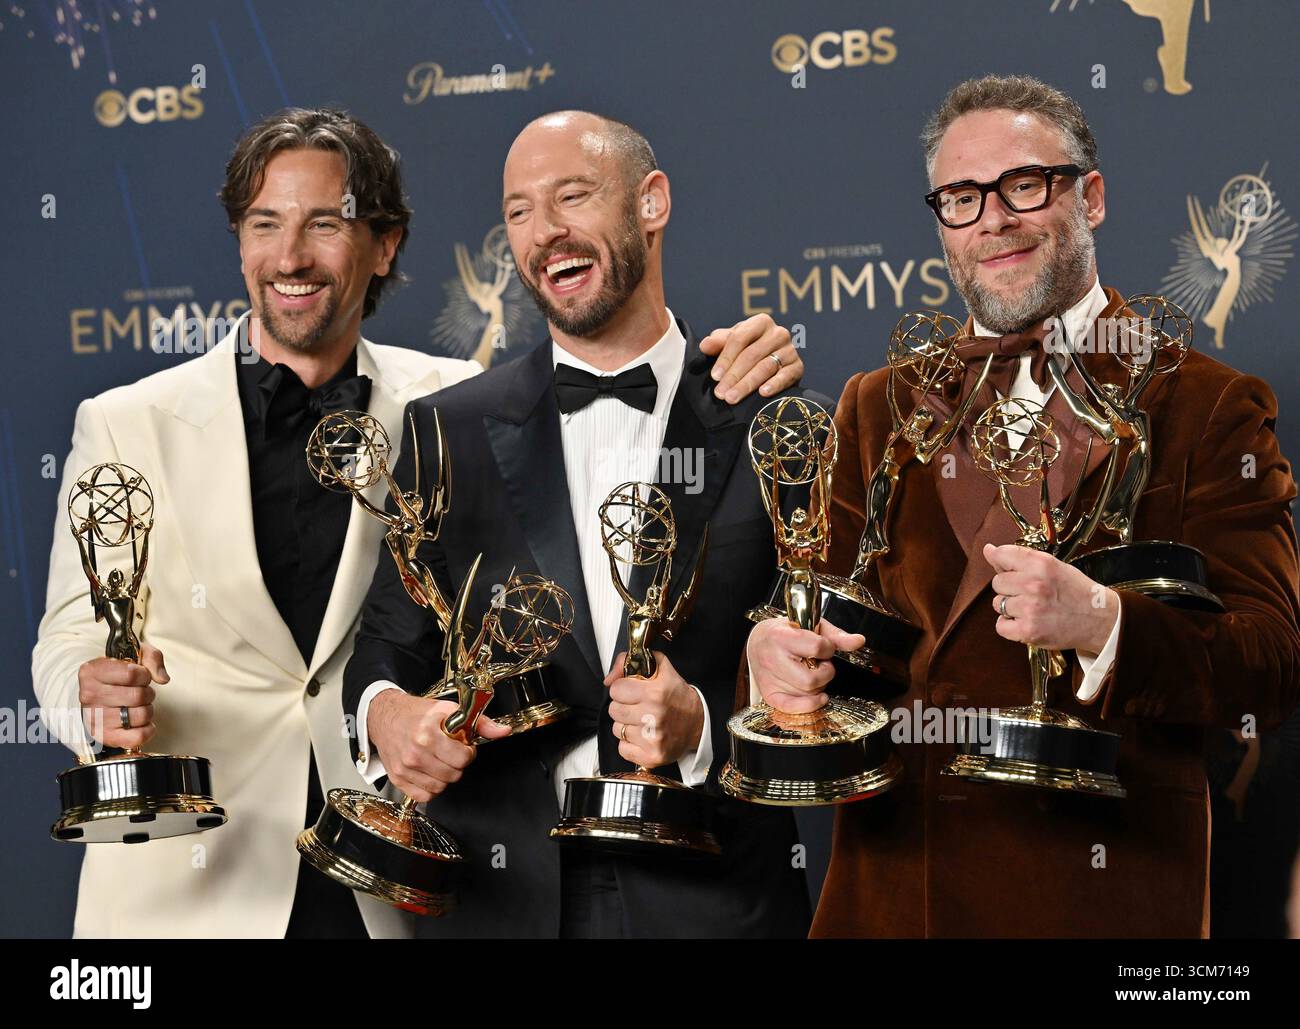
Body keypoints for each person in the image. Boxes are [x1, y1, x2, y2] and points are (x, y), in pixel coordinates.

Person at [31, 106, 794, 939]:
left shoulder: (445, 400)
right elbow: (72, 640)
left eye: (325, 223)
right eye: (264, 225)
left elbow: (614, 362)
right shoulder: (125, 420)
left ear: (384, 246)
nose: (290, 257)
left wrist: (750, 357)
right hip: (192, 884)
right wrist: (89, 699)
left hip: (390, 885)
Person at [745, 74, 1300, 937]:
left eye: (1025, 186)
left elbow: (1272, 665)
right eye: (962, 198)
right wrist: (778, 656)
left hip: (1097, 908)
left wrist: (1106, 624)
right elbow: (832, 623)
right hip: (890, 903)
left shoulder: (1206, 405)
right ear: (941, 225)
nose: (993, 219)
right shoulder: (875, 403)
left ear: (1093, 197)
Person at [344, 111, 813, 938]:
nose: (545, 231)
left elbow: (828, 676)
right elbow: (389, 639)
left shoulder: (763, 415)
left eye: (573, 195)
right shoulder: (443, 431)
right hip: (500, 901)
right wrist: (385, 715)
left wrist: (701, 725)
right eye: (519, 211)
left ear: (652, 203)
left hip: (716, 899)